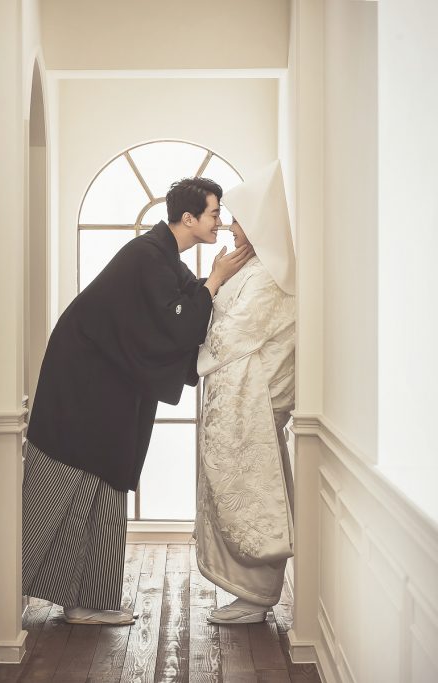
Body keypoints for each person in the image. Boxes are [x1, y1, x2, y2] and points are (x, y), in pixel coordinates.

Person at [23, 177, 253, 625]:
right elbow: (178, 324)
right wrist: (215, 281)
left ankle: (86, 602)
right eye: (214, 213)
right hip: (82, 388)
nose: (220, 222)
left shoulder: (162, 255)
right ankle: (75, 602)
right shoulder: (147, 256)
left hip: (106, 386)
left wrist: (215, 283)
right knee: (78, 483)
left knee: (105, 482)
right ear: (188, 218)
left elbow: (185, 303)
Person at [194, 161, 297, 624]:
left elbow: (231, 334)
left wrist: (189, 339)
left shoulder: (269, 275)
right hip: (247, 396)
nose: (230, 229)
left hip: (258, 401)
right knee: (244, 490)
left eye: (237, 221)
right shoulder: (253, 268)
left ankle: (257, 595)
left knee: (256, 492)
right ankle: (250, 591)